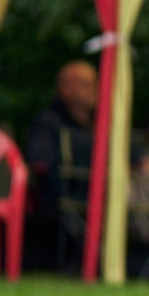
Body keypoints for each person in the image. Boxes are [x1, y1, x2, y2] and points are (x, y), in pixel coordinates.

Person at [22, 60, 100, 271]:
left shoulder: (103, 126)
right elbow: (41, 164)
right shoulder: (48, 124)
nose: (95, 88)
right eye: (86, 83)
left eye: (96, 83)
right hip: (65, 200)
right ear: (65, 88)